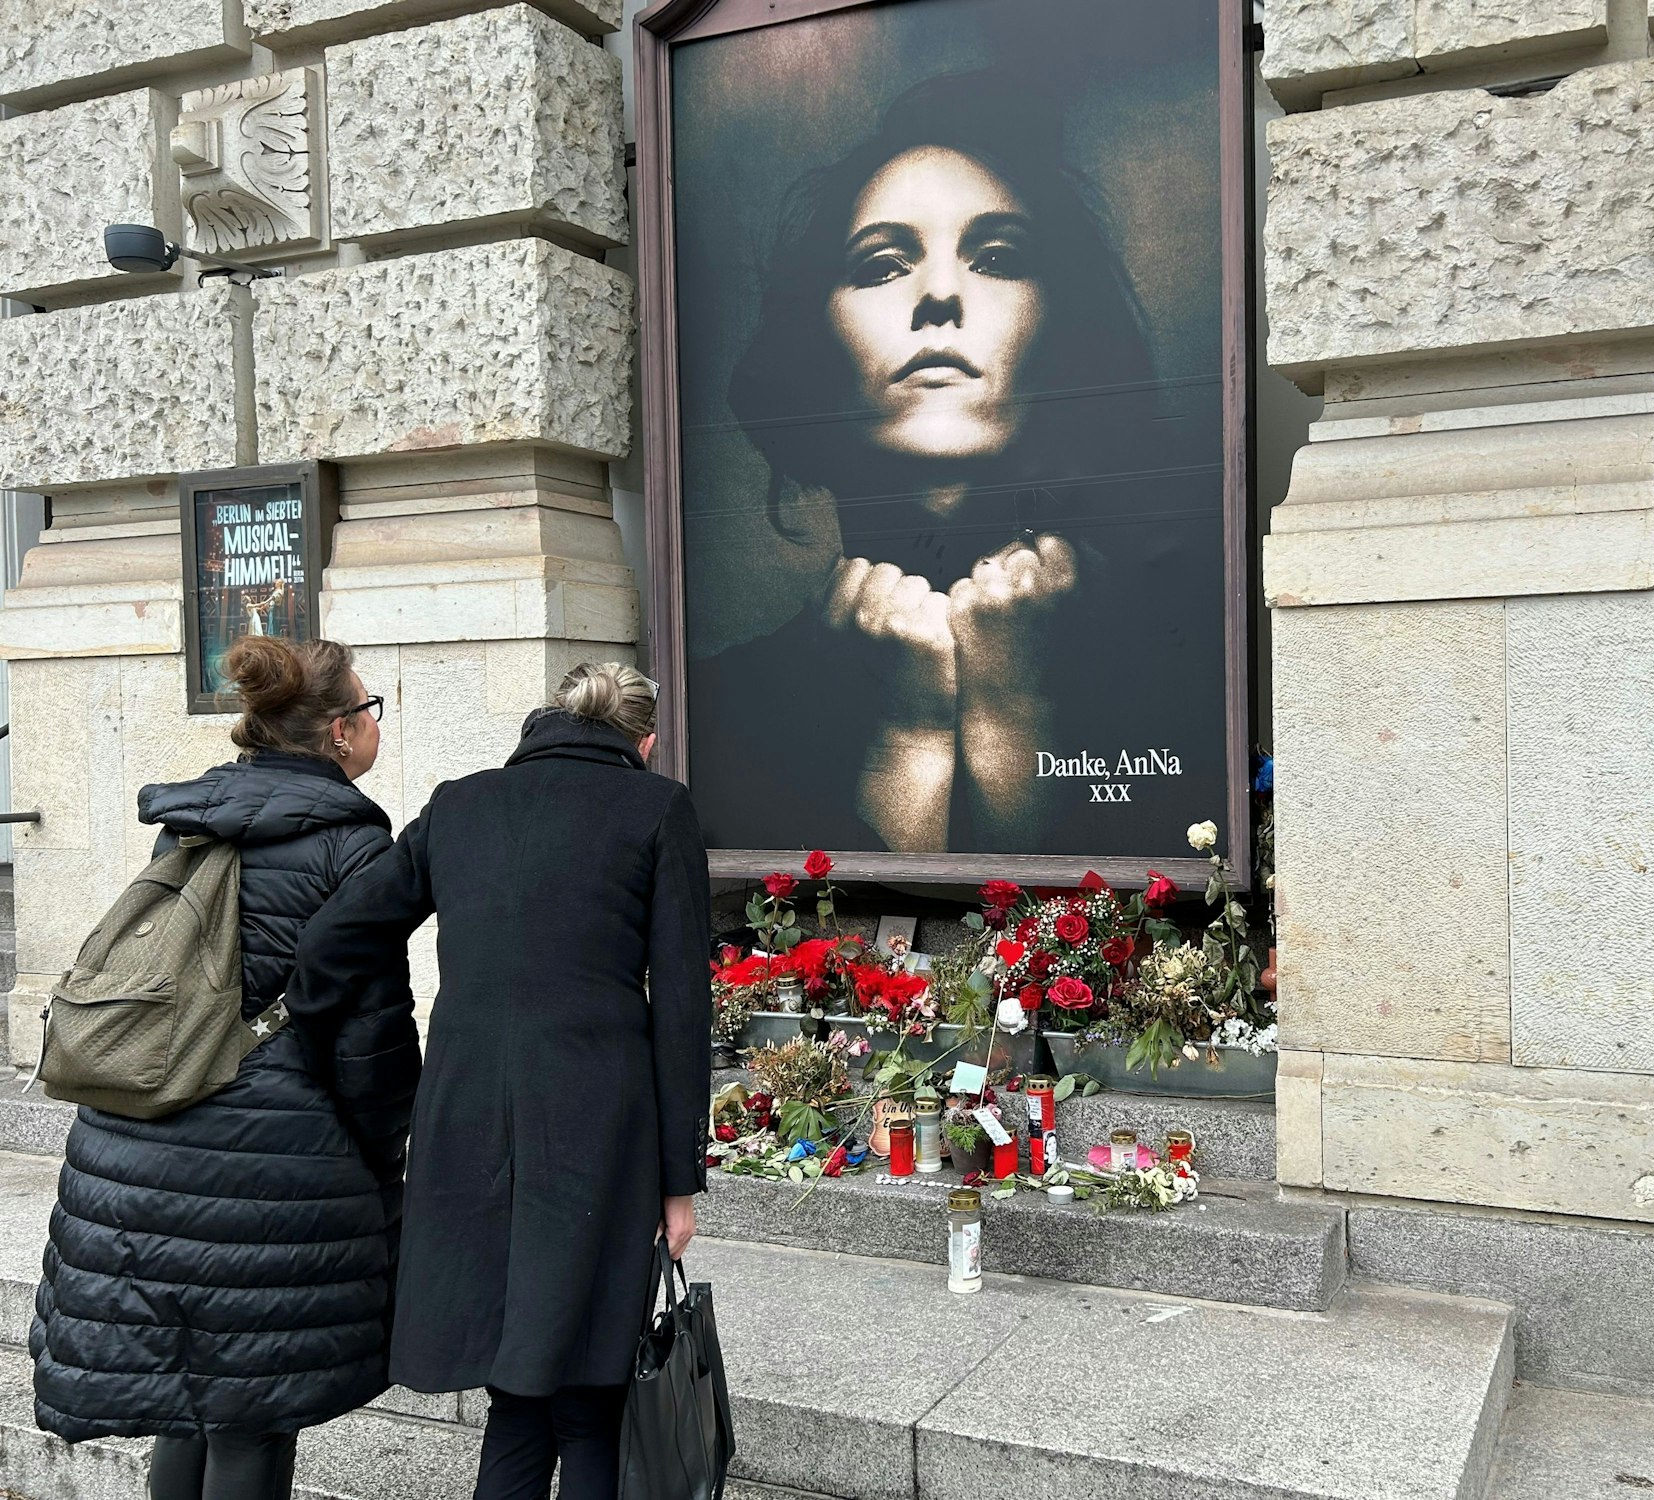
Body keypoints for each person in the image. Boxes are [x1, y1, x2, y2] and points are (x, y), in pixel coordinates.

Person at [690, 69, 1227, 858]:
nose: (940, 293)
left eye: (998, 257)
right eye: (881, 264)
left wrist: (1014, 714)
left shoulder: (1200, 684)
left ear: (1063, 335)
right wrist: (906, 740)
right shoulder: (715, 715)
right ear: (815, 352)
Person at [289, 662, 712, 1500]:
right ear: (645, 743)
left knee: (517, 1397)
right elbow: (680, 1011)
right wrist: (679, 1181)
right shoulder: (658, 808)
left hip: (467, 1113)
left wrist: (336, 1053)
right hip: (597, 1124)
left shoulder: (460, 803)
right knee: (589, 1397)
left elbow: (334, 938)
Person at [31, 635, 417, 1500]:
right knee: (252, 1413)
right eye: (369, 709)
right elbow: (370, 1039)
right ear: (341, 732)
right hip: (270, 1166)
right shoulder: (353, 848)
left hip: (136, 1145)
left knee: (188, 1409)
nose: (374, 724)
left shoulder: (191, 819)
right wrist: (380, 1148)